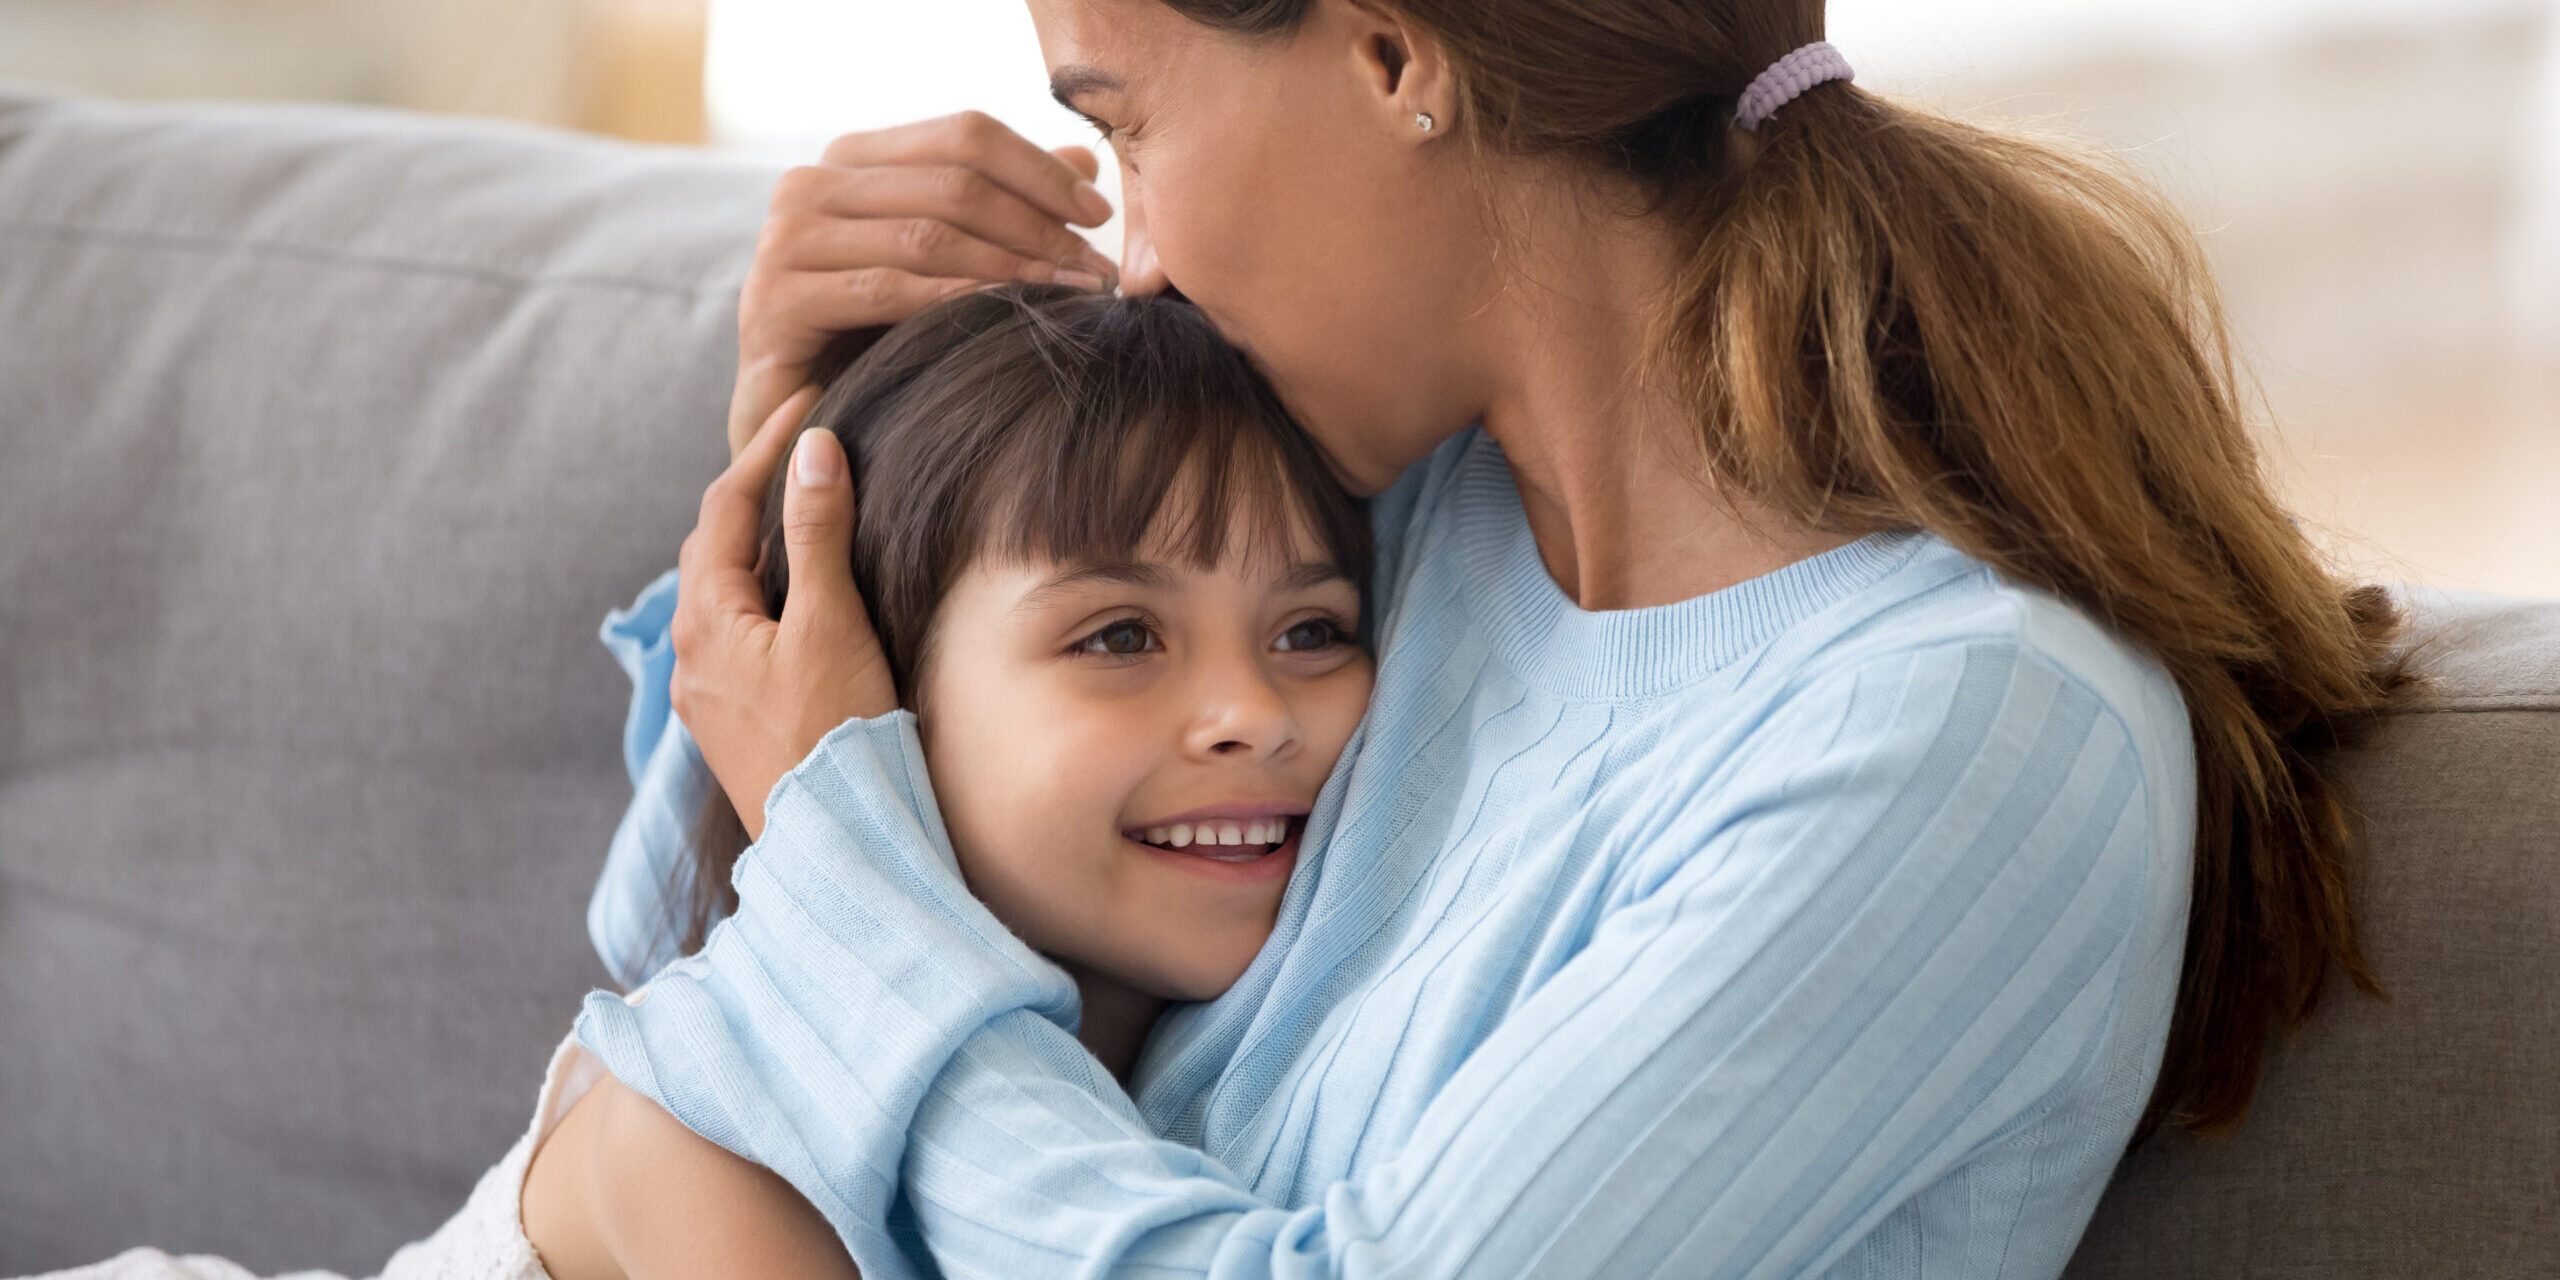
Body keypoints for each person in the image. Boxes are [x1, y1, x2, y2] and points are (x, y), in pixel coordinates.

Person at [579, 2, 2412, 1277]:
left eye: (1124, 120)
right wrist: (827, 463)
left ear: (1391, 54)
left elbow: (813, 964)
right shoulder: (1399, 518)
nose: (1130, 253)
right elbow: (683, 974)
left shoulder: (1959, 739)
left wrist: (842, 830)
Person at [28, 286, 1372, 1280]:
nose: (1252, 714)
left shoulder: (1257, 1067)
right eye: (1119, 637)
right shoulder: (714, 1123)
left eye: (1311, 631)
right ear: (862, 698)